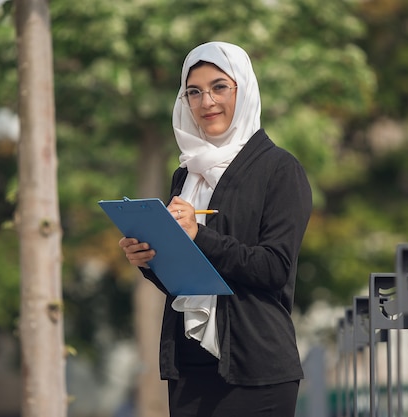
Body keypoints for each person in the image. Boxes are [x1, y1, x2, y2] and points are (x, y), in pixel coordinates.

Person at [119, 41, 312, 417]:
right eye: (194, 92)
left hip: (256, 370)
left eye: (220, 87)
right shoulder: (186, 175)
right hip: (190, 369)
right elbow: (186, 280)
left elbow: (274, 269)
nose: (206, 102)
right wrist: (148, 260)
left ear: (244, 89)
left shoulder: (280, 170)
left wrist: (199, 235)